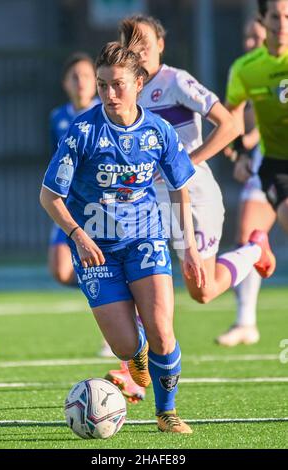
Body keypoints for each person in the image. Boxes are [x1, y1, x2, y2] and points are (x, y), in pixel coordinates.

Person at [40, 30, 207, 433]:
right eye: (103, 85)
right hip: (95, 247)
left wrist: (189, 247)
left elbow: (181, 189)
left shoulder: (158, 132)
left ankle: (166, 412)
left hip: (145, 239)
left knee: (163, 332)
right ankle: (136, 354)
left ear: (138, 84)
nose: (109, 93)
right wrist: (78, 235)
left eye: (117, 84)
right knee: (125, 345)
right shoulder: (81, 132)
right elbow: (49, 197)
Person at [105, 14, 276, 395]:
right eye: (130, 44)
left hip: (194, 199)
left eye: (144, 42)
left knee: (202, 290)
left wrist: (187, 163)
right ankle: (133, 372)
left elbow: (229, 126)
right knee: (141, 283)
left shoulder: (175, 81)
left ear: (160, 45)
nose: (138, 50)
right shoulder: (124, 92)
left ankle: (253, 250)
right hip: (149, 205)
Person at [224, 0, 288, 342]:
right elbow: (231, 120)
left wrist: (250, 138)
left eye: (254, 36)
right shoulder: (247, 70)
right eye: (247, 37)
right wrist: (240, 154)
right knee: (249, 238)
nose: (250, 42)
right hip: (272, 164)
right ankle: (246, 320)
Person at [48, 52, 99, 287]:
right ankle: (104, 283)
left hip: (101, 204)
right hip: (70, 204)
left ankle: (114, 288)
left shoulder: (105, 113)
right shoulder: (57, 116)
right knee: (60, 271)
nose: (81, 82)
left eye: (87, 76)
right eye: (74, 76)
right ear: (65, 83)